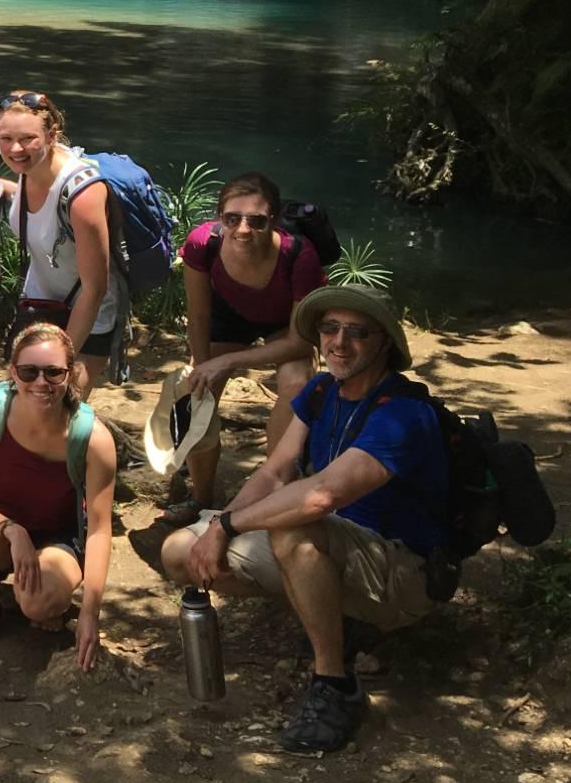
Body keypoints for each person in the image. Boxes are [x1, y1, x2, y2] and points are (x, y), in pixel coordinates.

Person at [162, 286, 448, 753]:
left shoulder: (403, 414)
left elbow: (321, 497)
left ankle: (335, 685)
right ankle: (332, 613)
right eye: (330, 328)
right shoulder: (320, 393)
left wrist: (228, 526)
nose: (339, 341)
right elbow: (276, 469)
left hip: (402, 572)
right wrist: (218, 525)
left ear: (383, 344)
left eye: (358, 332)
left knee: (294, 525)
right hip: (337, 547)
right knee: (180, 552)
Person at [0, 323, 117, 669]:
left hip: (57, 539)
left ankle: (41, 595)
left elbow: (98, 529)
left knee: (36, 603)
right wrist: (12, 531)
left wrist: (91, 612)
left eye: (53, 373)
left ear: (72, 374)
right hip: (0, 530)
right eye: (29, 372)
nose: (40, 383)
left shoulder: (94, 439)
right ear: (12, 373)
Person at [176, 172, 327, 512]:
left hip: (282, 325)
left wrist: (228, 362)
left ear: (273, 220)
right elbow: (198, 316)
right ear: (220, 218)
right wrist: (203, 366)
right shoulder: (203, 244)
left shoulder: (299, 256)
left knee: (296, 383)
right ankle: (200, 498)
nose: (243, 229)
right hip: (228, 318)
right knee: (195, 392)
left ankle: (273, 490)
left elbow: (301, 343)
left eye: (256, 221)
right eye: (232, 218)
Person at [0, 90, 120, 396]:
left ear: (52, 136)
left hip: (86, 321)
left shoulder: (82, 194)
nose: (15, 148)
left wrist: (61, 361)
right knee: (20, 412)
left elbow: (95, 288)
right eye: (5, 138)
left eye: (27, 138)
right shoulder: (28, 168)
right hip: (39, 308)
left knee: (60, 411)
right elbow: (38, 210)